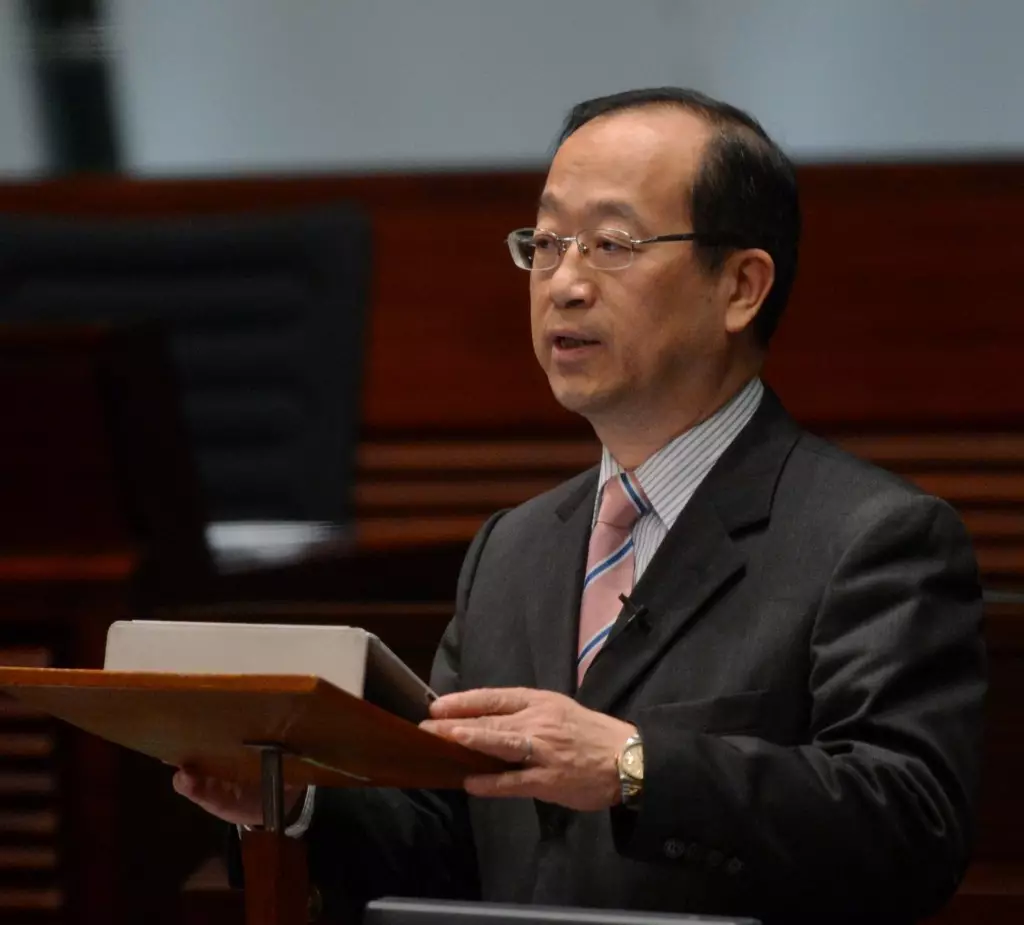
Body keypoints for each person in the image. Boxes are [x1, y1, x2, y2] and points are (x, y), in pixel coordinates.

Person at [175, 87, 986, 925]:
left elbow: (911, 823)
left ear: (741, 287)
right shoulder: (513, 549)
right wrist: (295, 801)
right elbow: (457, 834)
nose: (563, 283)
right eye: (547, 242)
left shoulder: (872, 537)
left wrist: (636, 767)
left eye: (611, 244)